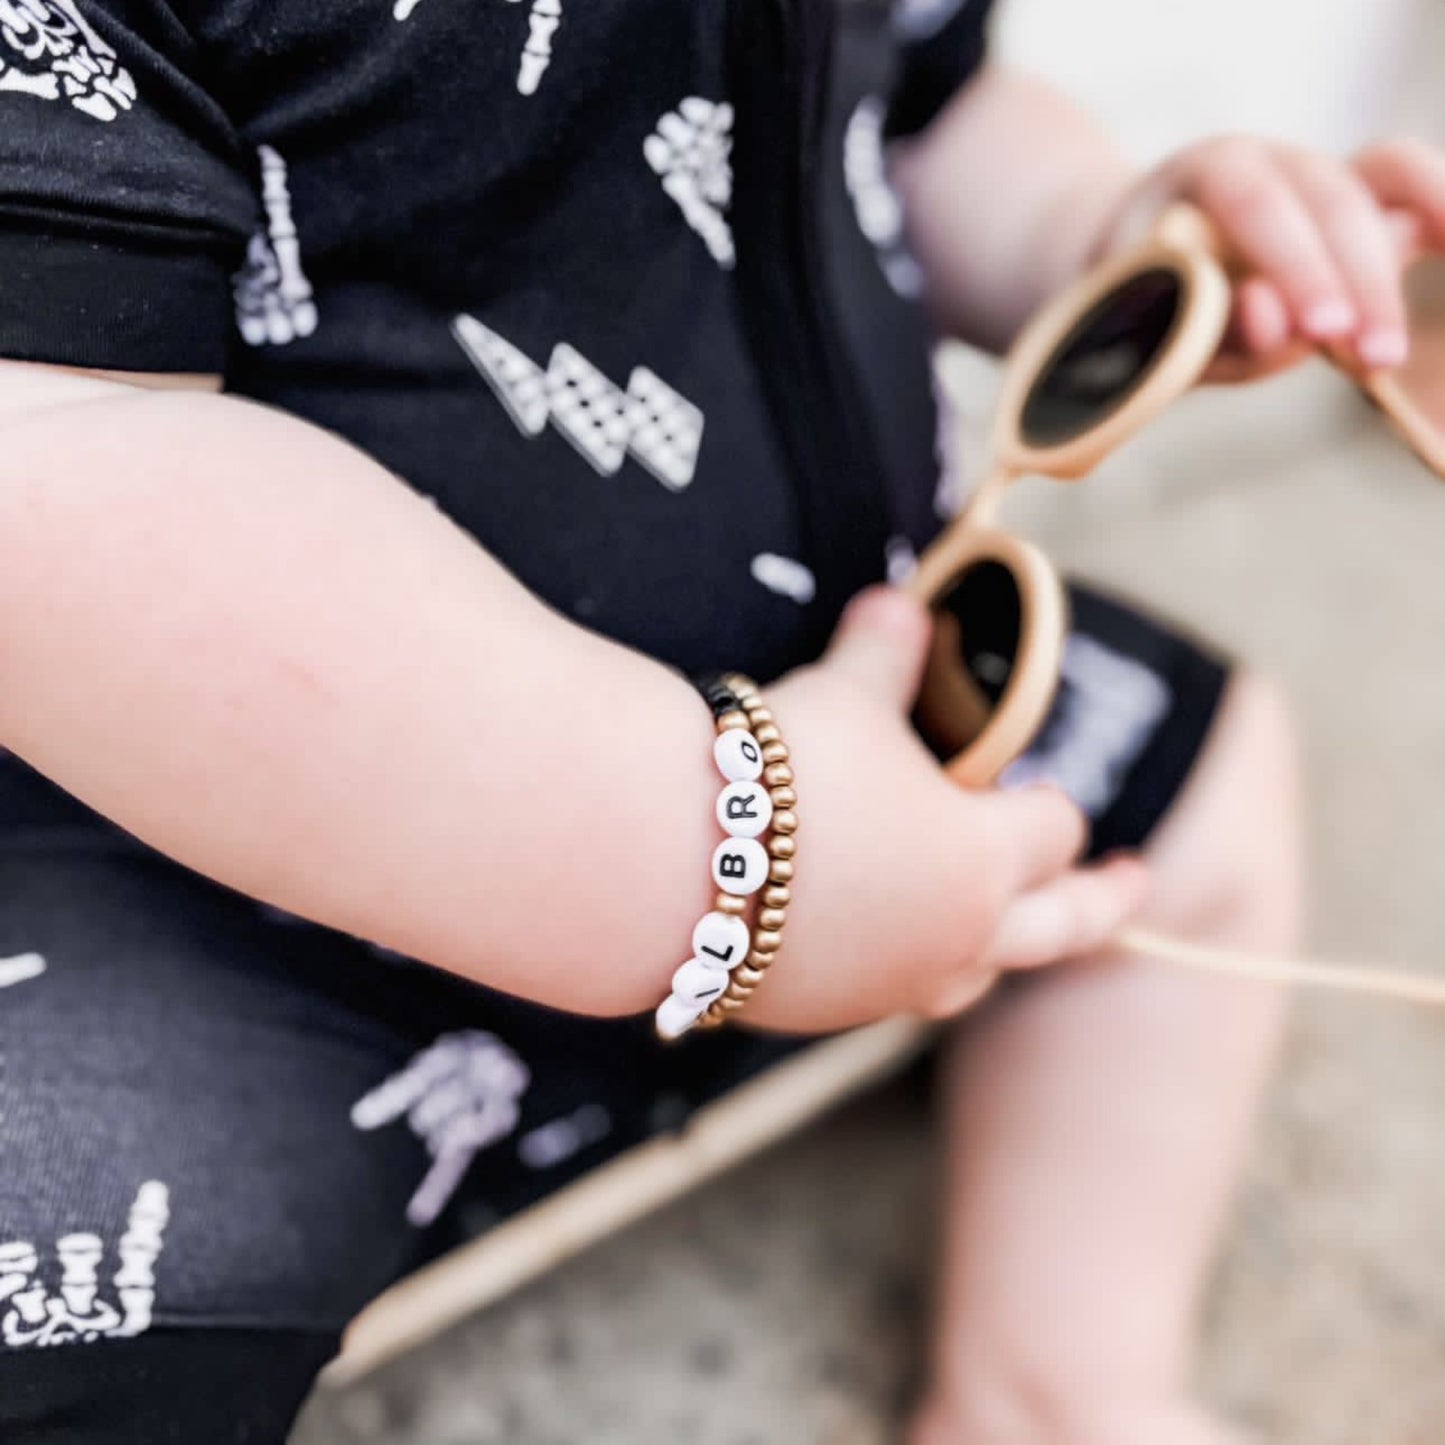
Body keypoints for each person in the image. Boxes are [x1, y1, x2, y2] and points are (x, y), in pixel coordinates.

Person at [0, 0, 1441, 1439]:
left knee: (1189, 780)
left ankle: (1061, 1385)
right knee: (62, 1256)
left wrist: (1107, 250)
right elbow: (56, 468)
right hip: (223, 884)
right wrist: (714, 847)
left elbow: (919, 119)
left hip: (844, 722)